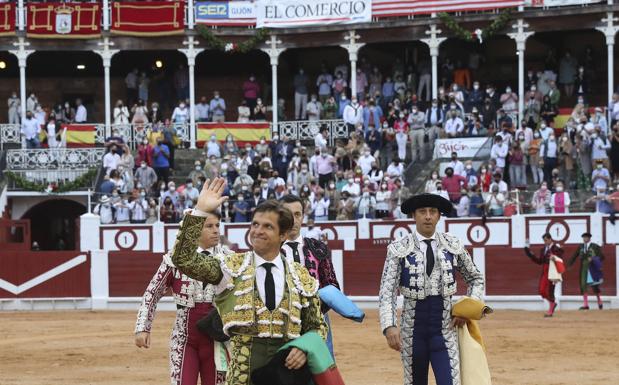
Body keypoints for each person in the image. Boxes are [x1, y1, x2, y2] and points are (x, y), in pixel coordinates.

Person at [171, 180, 327, 385]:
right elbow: (183, 259)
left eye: (267, 226)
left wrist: (304, 347)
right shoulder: (231, 267)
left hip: (288, 376)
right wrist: (199, 212)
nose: (257, 231)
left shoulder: (300, 276)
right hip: (241, 379)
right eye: (255, 224)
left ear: (283, 235)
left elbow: (318, 327)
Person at [379, 193, 484, 385]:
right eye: (422, 212)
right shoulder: (398, 248)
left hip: (444, 331)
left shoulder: (453, 244)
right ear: (414, 216)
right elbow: (387, 292)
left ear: (438, 216)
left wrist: (467, 311)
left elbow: (476, 278)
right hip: (412, 334)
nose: (428, 216)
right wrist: (389, 325)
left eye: (432, 212)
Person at [135, 211, 232, 385]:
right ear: (194, 230)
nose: (216, 230)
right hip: (184, 339)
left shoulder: (229, 260)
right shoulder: (175, 260)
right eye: (209, 226)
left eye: (217, 225)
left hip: (218, 341)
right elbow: (152, 293)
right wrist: (143, 327)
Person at [280, 195, 343, 354]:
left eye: (297, 214)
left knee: (322, 373)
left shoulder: (318, 248)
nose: (293, 220)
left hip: (317, 322)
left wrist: (314, 311)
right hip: (281, 323)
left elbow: (332, 285)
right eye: (288, 214)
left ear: (303, 216)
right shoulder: (270, 250)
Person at [524, 233, 564, 317]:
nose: (545, 242)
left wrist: (555, 257)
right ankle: (552, 304)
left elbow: (560, 257)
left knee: (550, 291)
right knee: (542, 291)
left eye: (546, 240)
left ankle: (550, 311)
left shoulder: (556, 248)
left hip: (552, 272)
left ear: (550, 239)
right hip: (545, 271)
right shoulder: (543, 250)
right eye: (544, 240)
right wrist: (528, 252)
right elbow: (539, 261)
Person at [568, 232, 605, 311]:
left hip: (592, 268)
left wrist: (593, 259)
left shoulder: (595, 246)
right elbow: (574, 255)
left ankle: (599, 301)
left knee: (595, 285)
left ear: (589, 238)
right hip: (584, 267)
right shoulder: (581, 246)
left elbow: (602, 257)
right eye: (583, 237)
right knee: (583, 284)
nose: (584, 239)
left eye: (586, 237)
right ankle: (586, 304)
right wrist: (569, 264)